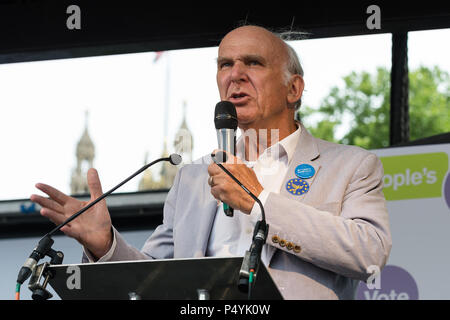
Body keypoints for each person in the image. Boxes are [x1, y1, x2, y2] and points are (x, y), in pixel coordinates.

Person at [30, 25, 391, 299]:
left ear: (293, 89)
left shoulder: (351, 166)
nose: (235, 74)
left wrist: (259, 202)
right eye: (225, 64)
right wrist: (105, 244)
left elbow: (369, 253)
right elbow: (154, 279)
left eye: (253, 63)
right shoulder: (190, 177)